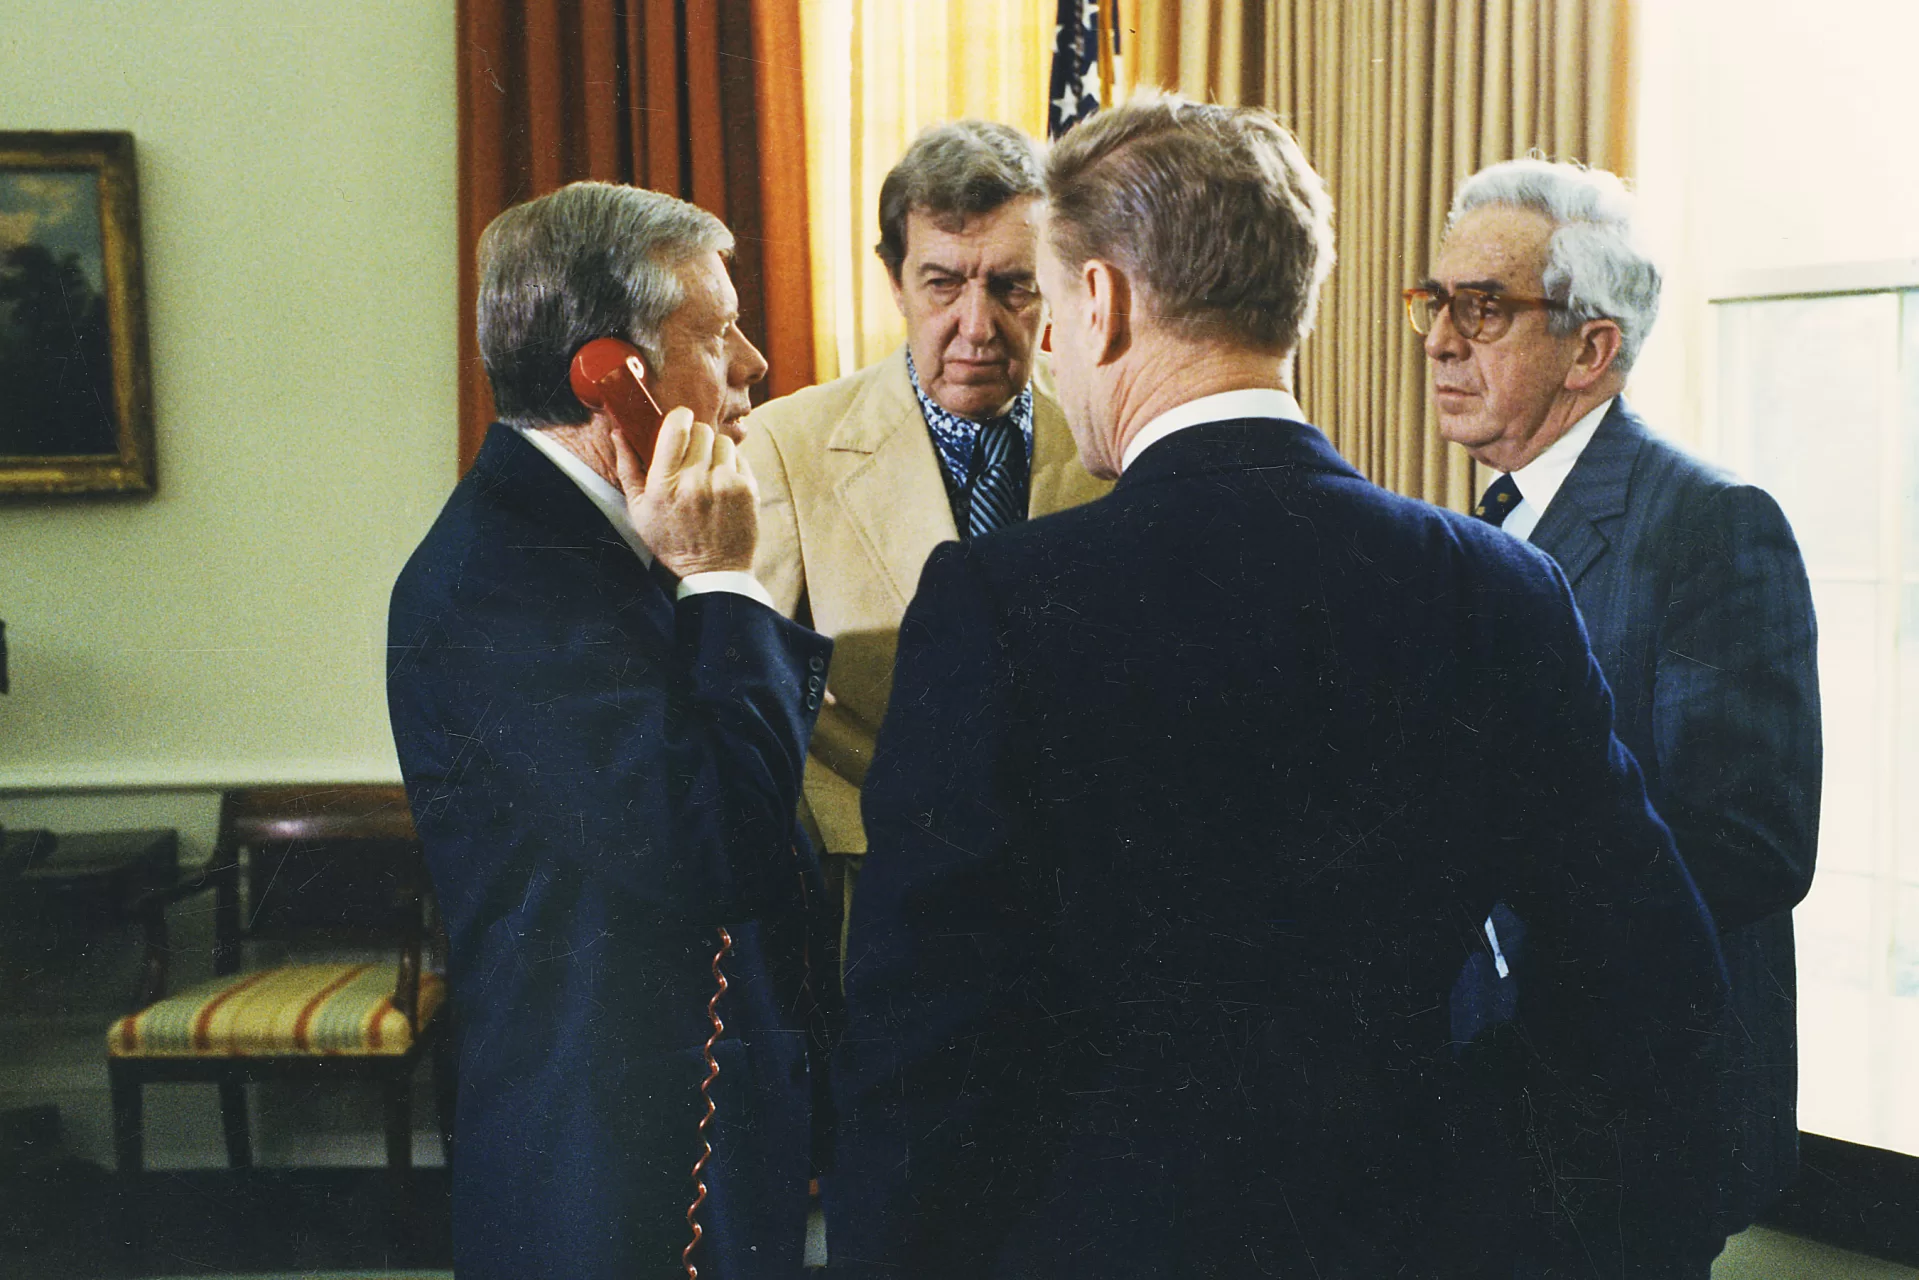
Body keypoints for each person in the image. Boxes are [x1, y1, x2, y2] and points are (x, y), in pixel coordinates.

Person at [827, 95, 1730, 1279]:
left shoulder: (1000, 604)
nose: (1040, 346)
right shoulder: (1494, 588)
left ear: (1097, 304)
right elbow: (1652, 989)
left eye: (1045, 303)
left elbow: (920, 1057)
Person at [386, 181, 832, 1280]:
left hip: (689, 1123)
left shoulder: (602, 541)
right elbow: (716, 842)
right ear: (607, 374)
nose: (754, 366)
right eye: (716, 332)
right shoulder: (503, 579)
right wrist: (723, 578)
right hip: (609, 1165)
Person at [1416, 158, 1822, 1267]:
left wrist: (1472, 889)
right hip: (1481, 1109)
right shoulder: (1461, 528)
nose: (1440, 339)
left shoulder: (1710, 525)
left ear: (1590, 348)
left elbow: (1747, 841)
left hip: (1623, 1118)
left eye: (1483, 308)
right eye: (1435, 301)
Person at [740, 120, 1108, 938]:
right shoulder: (787, 443)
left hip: (1069, 893)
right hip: (870, 891)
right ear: (894, 279)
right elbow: (754, 694)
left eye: (1012, 286)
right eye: (943, 283)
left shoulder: (1111, 443)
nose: (976, 326)